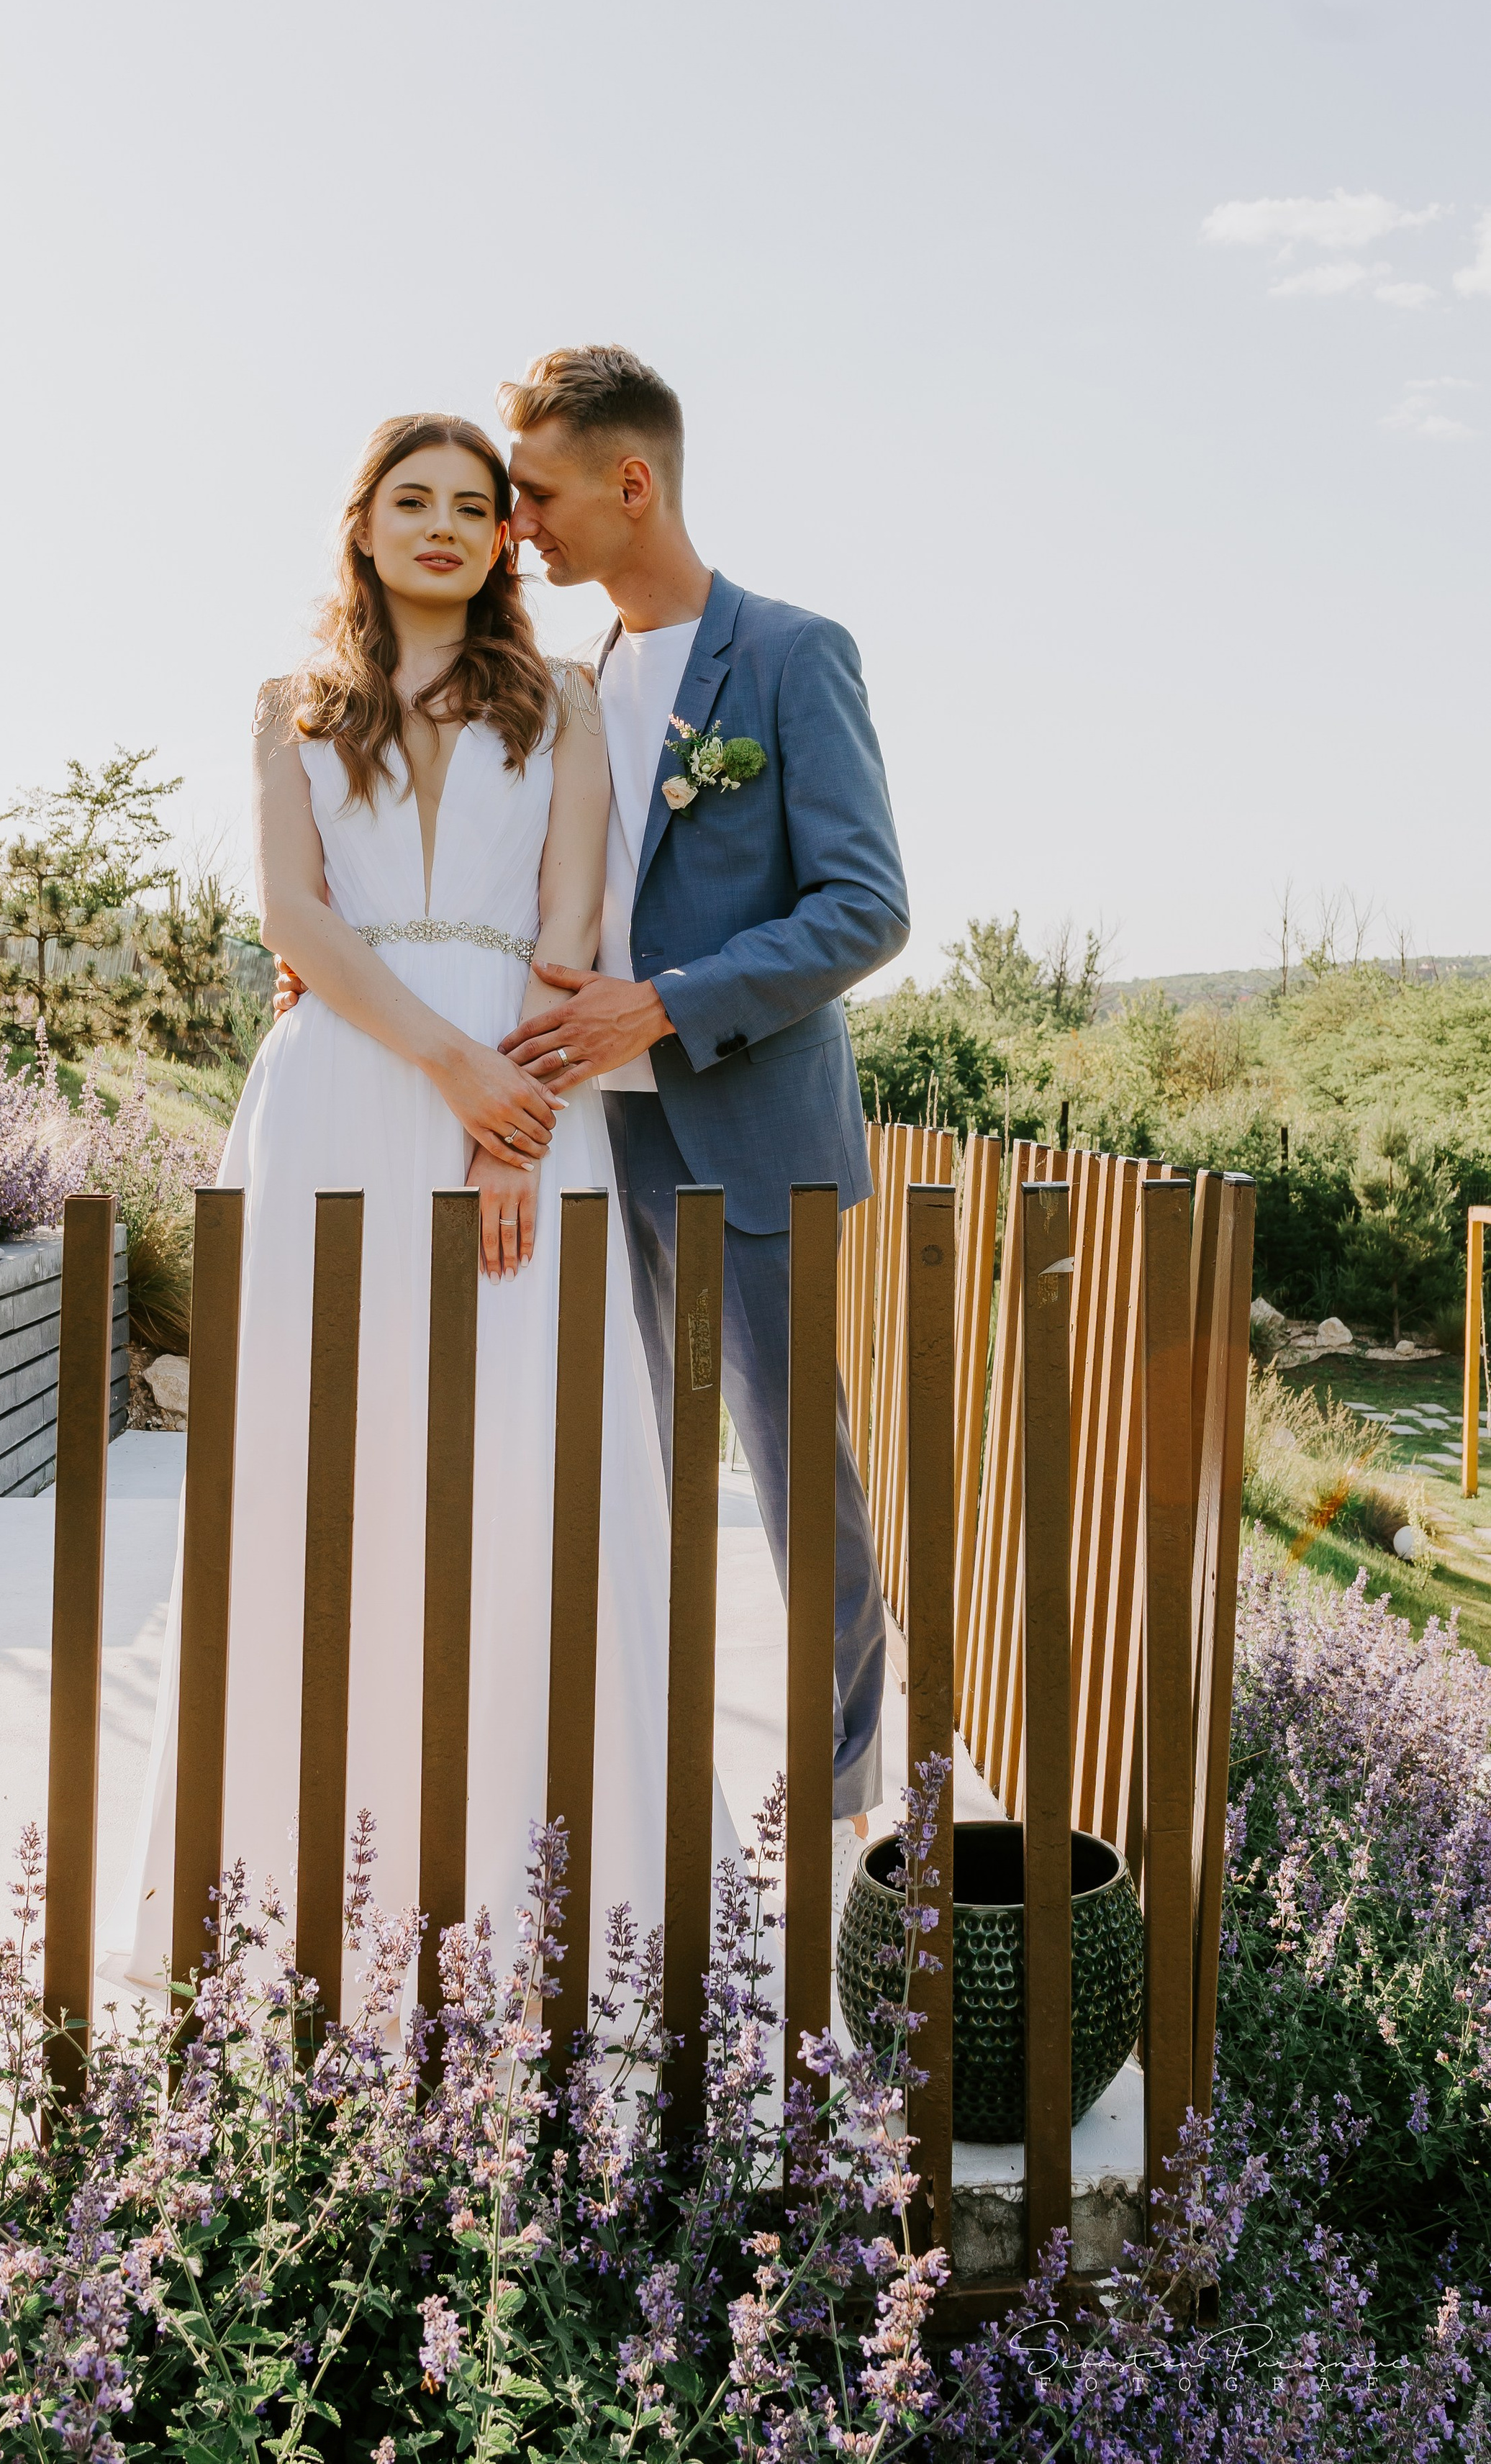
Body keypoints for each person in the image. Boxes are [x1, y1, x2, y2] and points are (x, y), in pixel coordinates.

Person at [115, 412, 712, 2004]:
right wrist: (449, 1068)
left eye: (472, 504)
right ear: (362, 526)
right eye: (413, 501)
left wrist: (511, 1126)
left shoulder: (563, 700)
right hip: (348, 1089)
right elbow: (293, 911)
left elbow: (573, 912)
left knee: (529, 1456)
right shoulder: (290, 703)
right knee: (329, 1458)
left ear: (503, 538)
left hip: (526, 1100)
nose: (445, 525)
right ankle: (301, 1894)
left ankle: (540, 1900)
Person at [494, 347, 909, 1883]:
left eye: (533, 491)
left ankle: (847, 1786)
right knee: (620, 1465)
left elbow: (865, 908)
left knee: (797, 1470)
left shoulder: (793, 654)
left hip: (747, 1136)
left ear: (630, 480)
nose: (513, 523)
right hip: (586, 1138)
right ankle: (643, 1775)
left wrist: (660, 1004)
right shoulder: (565, 689)